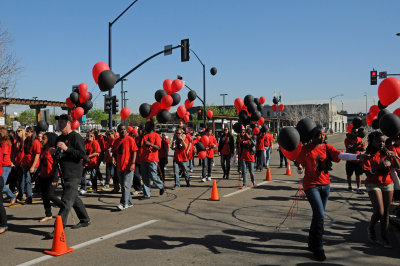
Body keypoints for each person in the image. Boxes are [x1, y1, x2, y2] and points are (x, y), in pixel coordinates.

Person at [294, 127, 367, 261]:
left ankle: (311, 242)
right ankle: (318, 247)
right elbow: (300, 169)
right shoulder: (305, 149)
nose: (321, 137)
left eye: (322, 134)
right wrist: (298, 168)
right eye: (318, 135)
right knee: (320, 215)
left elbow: (341, 155)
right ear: (312, 137)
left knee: (318, 215)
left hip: (325, 185)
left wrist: (357, 156)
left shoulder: (327, 147)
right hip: (311, 186)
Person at [45, 114, 90, 239]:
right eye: (59, 122)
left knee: (65, 202)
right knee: (74, 198)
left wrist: (66, 148)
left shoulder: (76, 137)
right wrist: (53, 153)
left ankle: (58, 229)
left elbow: (81, 154)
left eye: (63, 122)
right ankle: (85, 219)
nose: (60, 124)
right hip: (64, 173)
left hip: (74, 173)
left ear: (69, 123)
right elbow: (59, 157)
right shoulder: (59, 138)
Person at [363, 131, 400, 248]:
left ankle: (383, 237)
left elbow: (398, 166)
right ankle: (371, 227)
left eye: (384, 141)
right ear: (372, 142)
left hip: (388, 183)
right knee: (380, 211)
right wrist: (378, 167)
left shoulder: (388, 153)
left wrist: (395, 157)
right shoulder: (367, 155)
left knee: (386, 213)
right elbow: (367, 173)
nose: (382, 143)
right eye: (379, 141)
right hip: (373, 183)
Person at [38, 132, 63, 223]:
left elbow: (57, 165)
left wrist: (55, 179)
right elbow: (41, 164)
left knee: (50, 195)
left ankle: (64, 207)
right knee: (44, 196)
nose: (41, 140)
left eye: (44, 138)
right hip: (43, 176)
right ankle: (48, 214)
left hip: (51, 176)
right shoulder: (44, 149)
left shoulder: (53, 150)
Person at [112, 124, 137, 210]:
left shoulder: (130, 139)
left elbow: (134, 151)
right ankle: (129, 202)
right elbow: (114, 152)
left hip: (128, 166)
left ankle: (123, 203)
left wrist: (133, 163)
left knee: (126, 185)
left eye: (124, 129)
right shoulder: (116, 141)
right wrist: (113, 158)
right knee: (123, 186)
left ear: (126, 130)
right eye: (121, 130)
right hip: (119, 166)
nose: (123, 131)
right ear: (118, 131)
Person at [140, 121, 164, 199]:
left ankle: (161, 186)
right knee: (145, 177)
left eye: (146, 126)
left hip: (152, 159)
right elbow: (141, 145)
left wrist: (150, 144)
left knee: (153, 175)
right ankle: (147, 194)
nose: (145, 127)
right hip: (144, 159)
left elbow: (158, 147)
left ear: (151, 127)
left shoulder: (156, 135)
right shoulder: (144, 136)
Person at [21, 127, 41, 204]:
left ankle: (44, 193)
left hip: (34, 164)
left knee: (37, 180)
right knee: (27, 181)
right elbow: (25, 153)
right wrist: (23, 163)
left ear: (32, 133)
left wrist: (33, 166)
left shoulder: (36, 142)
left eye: (28, 131)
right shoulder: (26, 141)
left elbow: (37, 154)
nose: (26, 133)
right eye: (26, 131)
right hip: (26, 163)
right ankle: (29, 197)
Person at [344, 127, 365, 193]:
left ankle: (358, 188)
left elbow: (363, 148)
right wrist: (358, 145)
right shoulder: (347, 139)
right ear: (351, 132)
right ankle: (349, 187)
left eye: (357, 132)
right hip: (350, 159)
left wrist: (362, 147)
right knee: (349, 174)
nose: (356, 134)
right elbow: (350, 148)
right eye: (355, 132)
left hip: (358, 159)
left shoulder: (360, 139)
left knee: (358, 175)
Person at [0, 128, 16, 204]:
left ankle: (12, 196)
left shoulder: (4, 142)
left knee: (2, 184)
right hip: (4, 164)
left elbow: (4, 154)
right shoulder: (4, 142)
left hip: (5, 165)